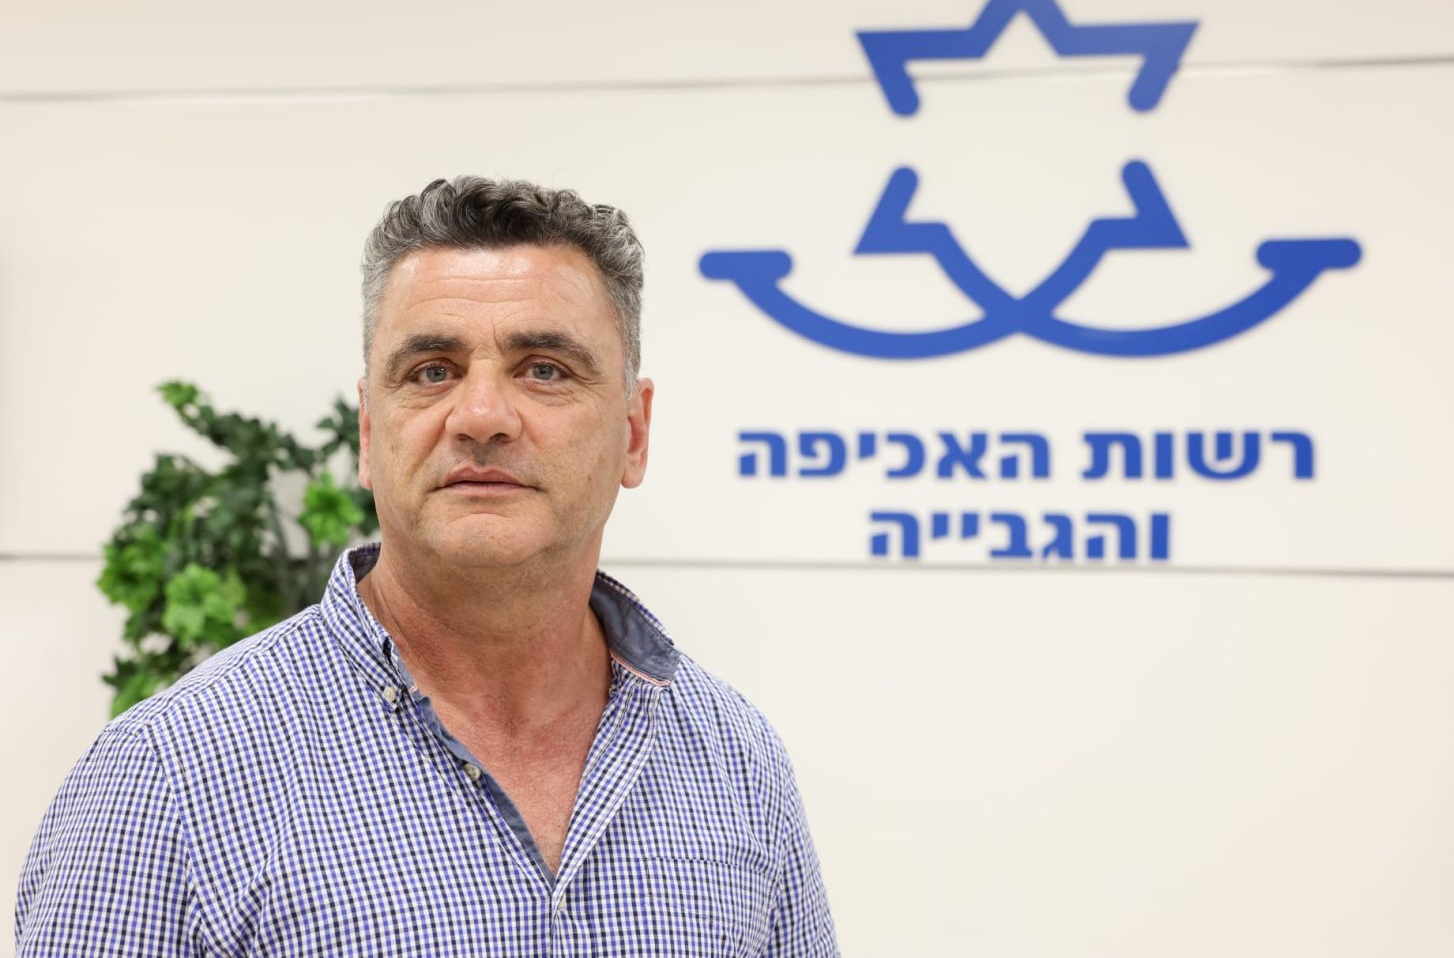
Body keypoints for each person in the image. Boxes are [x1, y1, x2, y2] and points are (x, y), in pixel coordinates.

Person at [17, 177, 839, 956]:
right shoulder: (164, 782)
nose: (481, 416)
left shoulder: (737, 763)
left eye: (544, 369)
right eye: (432, 371)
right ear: (369, 432)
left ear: (634, 431)